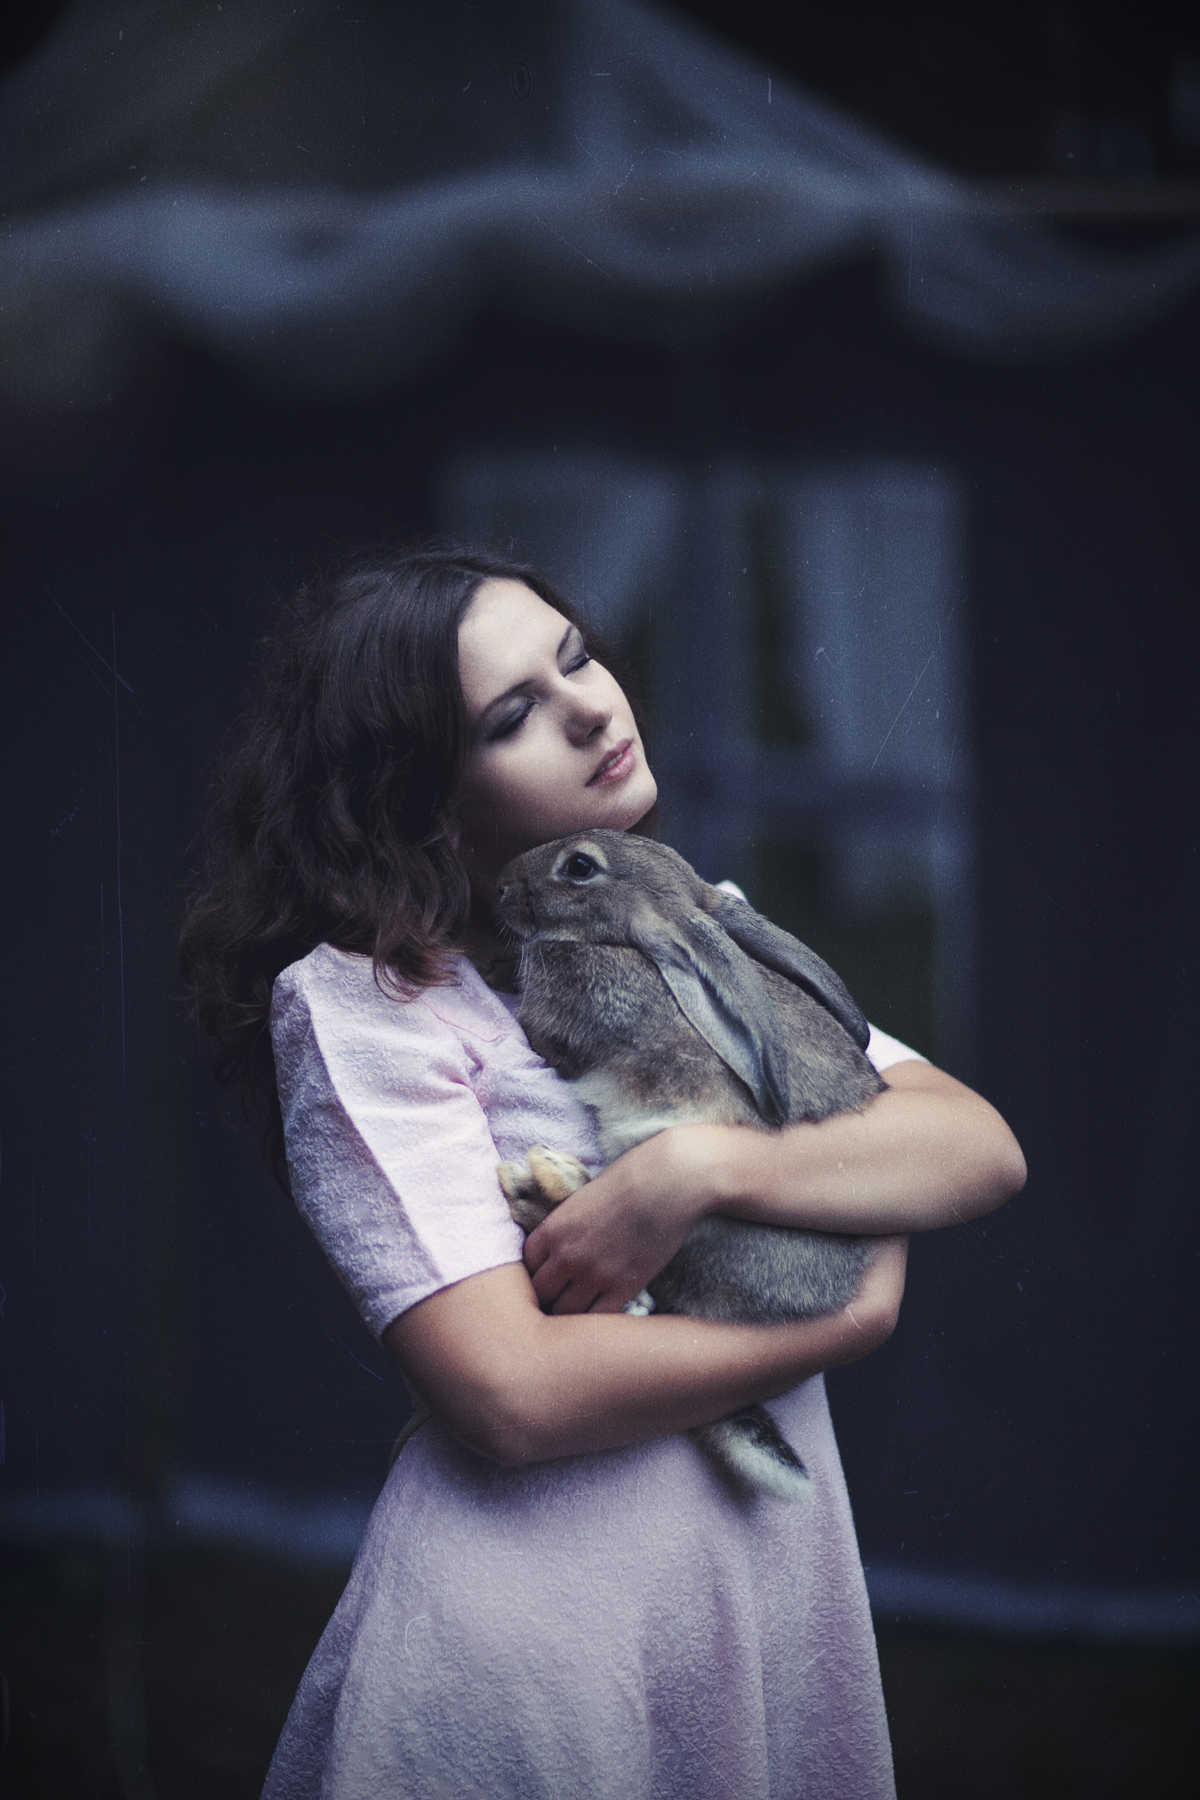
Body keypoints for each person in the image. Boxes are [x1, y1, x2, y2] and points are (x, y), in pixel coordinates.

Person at [180, 546, 1025, 1800]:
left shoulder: (680, 910)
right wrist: (842, 1315)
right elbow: (509, 1394)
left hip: (754, 1582)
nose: (589, 708)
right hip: (541, 1634)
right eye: (512, 716)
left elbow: (970, 1146)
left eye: (576, 656)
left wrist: (694, 1168)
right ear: (422, 802)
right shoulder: (370, 1010)